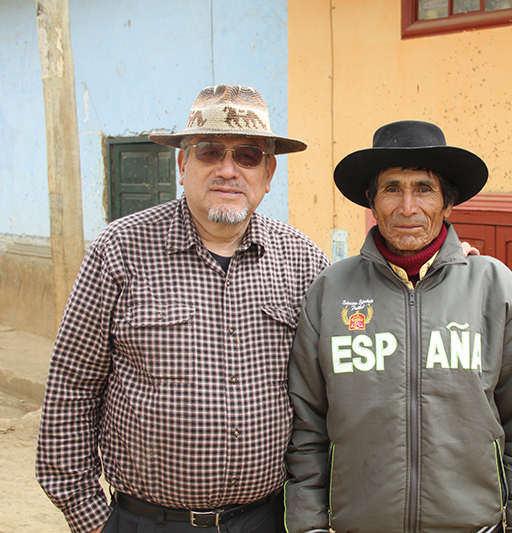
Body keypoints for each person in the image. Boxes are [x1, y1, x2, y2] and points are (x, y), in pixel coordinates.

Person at [36, 84, 331, 533]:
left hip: (263, 520)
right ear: (182, 164)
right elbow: (70, 391)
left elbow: (364, 335)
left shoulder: (303, 260)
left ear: (268, 175)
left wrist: (442, 269)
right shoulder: (120, 250)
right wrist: (91, 517)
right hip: (145, 522)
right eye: (210, 152)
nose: (228, 170)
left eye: (248, 156)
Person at [284, 120, 512, 533]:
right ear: (372, 202)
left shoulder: (494, 289)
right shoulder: (331, 291)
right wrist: (308, 526)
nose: (408, 207)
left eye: (424, 189)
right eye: (392, 188)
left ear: (447, 204)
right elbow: (307, 430)